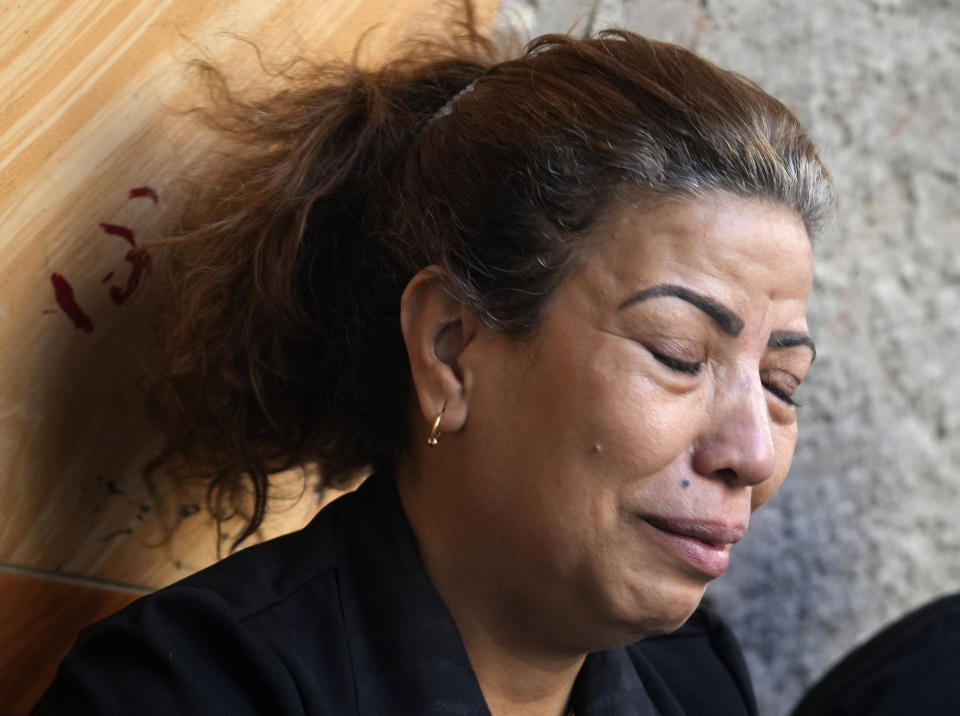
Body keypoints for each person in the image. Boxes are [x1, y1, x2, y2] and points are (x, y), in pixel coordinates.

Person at [33, 6, 833, 715]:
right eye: (678, 353)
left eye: (780, 384)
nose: (752, 453)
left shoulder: (695, 683)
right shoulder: (191, 690)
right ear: (450, 347)